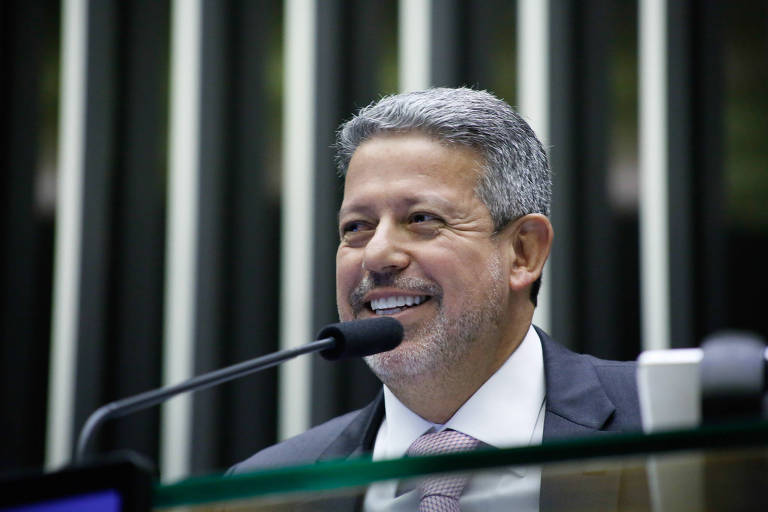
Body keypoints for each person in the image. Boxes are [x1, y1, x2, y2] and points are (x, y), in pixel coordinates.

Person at [230, 88, 642, 509]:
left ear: (524, 252)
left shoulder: (664, 422)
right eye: (357, 227)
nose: (377, 255)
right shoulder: (262, 492)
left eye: (422, 219)